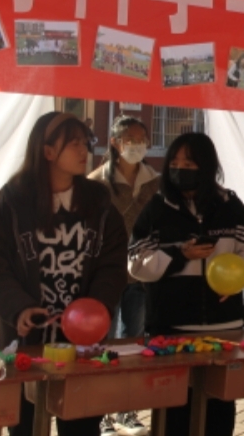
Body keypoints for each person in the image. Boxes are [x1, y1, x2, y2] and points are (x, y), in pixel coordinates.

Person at [0, 112, 128, 436]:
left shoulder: (99, 202)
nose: (84, 150)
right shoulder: (12, 201)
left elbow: (113, 264)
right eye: (73, 144)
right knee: (25, 428)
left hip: (81, 346)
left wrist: (96, 306)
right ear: (46, 151)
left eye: (85, 142)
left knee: (82, 428)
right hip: (23, 346)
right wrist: (18, 308)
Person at [129, 132, 244, 436]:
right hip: (171, 330)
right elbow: (136, 262)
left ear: (206, 166)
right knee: (174, 416)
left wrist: (238, 278)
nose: (180, 168)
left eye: (189, 163)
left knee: (219, 412)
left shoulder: (229, 205)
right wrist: (180, 255)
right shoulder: (157, 208)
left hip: (224, 328)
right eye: (175, 162)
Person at [88, 116, 158, 436]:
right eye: (131, 139)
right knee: (103, 343)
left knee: (134, 343)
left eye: (142, 139)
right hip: (105, 276)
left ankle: (126, 410)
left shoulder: (155, 182)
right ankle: (101, 413)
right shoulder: (96, 183)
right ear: (115, 143)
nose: (138, 145)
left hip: (141, 277)